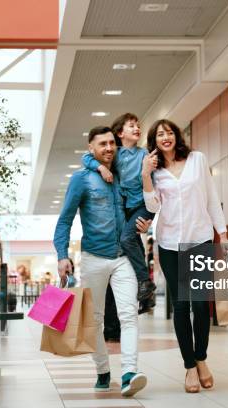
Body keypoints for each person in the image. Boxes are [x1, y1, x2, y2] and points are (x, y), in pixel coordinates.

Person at [54, 126, 151, 397]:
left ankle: (130, 372)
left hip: (123, 258)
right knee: (95, 319)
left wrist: (145, 224)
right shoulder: (81, 179)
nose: (108, 148)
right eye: (102, 144)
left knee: (129, 314)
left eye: (111, 143)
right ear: (91, 149)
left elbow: (141, 203)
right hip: (94, 258)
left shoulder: (122, 174)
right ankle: (102, 370)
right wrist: (62, 255)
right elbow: (65, 219)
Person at [142, 119, 226, 393]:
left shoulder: (197, 160)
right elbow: (152, 205)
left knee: (201, 305)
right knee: (181, 305)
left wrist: (222, 236)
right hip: (169, 243)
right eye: (159, 135)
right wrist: (146, 175)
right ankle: (189, 367)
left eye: (169, 133)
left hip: (200, 238)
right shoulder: (156, 171)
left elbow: (211, 198)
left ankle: (201, 358)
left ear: (177, 136)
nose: (165, 137)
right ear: (154, 142)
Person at [82, 113, 156, 305]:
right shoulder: (116, 154)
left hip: (142, 205)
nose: (137, 128)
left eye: (138, 125)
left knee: (125, 238)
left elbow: (154, 187)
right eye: (131, 125)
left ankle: (145, 282)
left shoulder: (144, 155)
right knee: (132, 242)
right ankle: (146, 294)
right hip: (127, 207)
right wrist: (101, 168)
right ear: (120, 133)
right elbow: (86, 158)